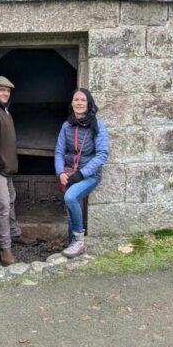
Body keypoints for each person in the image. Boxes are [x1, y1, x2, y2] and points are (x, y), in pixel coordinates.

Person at [0, 75, 35, 266]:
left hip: (5, 169)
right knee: (4, 206)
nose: (5, 93)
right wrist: (2, 164)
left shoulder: (2, 109)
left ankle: (14, 234)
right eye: (1, 90)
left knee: (11, 200)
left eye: (8, 91)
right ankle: (5, 248)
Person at [55, 88, 109, 258]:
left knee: (70, 197)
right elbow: (59, 151)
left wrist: (82, 173)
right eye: (76, 100)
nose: (79, 103)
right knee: (73, 207)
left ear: (89, 103)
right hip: (70, 173)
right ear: (72, 103)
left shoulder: (97, 125)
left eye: (83, 100)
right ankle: (71, 243)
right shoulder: (66, 126)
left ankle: (78, 240)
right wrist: (60, 172)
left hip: (90, 176)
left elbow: (102, 154)